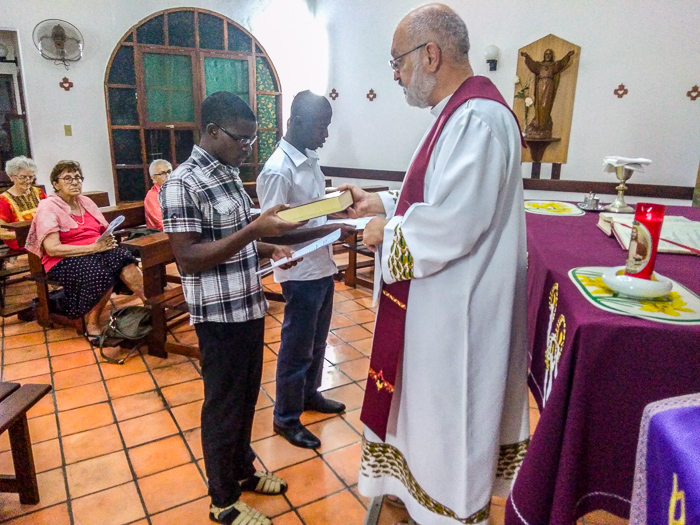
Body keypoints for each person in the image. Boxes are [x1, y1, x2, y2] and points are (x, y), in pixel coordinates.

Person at [341, 5, 530, 525]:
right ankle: (418, 497)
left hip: (458, 318)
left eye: (398, 62)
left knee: (452, 423)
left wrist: (388, 232)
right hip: (437, 310)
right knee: (425, 418)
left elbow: (454, 221)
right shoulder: (456, 113)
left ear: (431, 54)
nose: (396, 74)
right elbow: (436, 193)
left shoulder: (478, 118)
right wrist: (383, 203)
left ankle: (451, 511)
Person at [160, 91, 303, 525]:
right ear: (211, 131)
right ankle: (222, 500)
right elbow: (189, 256)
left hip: (248, 306)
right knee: (222, 406)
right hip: (217, 317)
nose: (247, 146)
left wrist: (268, 247)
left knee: (244, 400)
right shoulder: (182, 183)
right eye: (241, 139)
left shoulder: (226, 174)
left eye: (252, 138)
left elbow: (232, 240)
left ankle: (243, 472)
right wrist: (255, 231)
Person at [257, 90, 354, 449]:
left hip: (321, 266)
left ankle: (309, 394)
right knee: (296, 348)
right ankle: (285, 417)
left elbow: (311, 211)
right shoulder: (278, 170)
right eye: (321, 127)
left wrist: (338, 214)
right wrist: (331, 228)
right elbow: (273, 229)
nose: (326, 135)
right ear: (296, 122)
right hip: (298, 272)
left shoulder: (309, 160)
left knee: (316, 340)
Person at [25, 160, 146, 340]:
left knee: (123, 257)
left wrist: (106, 239)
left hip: (94, 250)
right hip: (63, 259)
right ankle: (92, 323)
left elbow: (100, 230)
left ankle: (151, 304)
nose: (75, 182)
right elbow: (52, 249)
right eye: (67, 178)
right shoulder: (48, 207)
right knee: (100, 272)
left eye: (78, 177)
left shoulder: (85, 202)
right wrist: (93, 247)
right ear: (56, 184)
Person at [520, 48, 574, 139]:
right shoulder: (539, 65)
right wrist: (527, 57)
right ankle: (538, 124)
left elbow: (561, 64)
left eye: (550, 54)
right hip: (540, 85)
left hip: (549, 85)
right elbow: (532, 65)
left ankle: (543, 126)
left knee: (545, 105)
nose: (548, 56)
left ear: (552, 56)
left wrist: (568, 55)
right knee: (539, 105)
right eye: (546, 54)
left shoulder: (554, 65)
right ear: (544, 56)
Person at [0, 156, 47, 251]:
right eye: (23, 177)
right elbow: (1, 233)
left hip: (45, 237)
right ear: (11, 177)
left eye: (31, 177)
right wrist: (28, 235)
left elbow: (51, 214)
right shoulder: (4, 200)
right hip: (22, 243)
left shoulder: (39, 192)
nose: (28, 181)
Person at [144, 159, 172, 230]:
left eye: (169, 171)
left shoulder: (177, 189)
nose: (168, 175)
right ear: (154, 178)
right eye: (162, 173)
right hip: (160, 234)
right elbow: (160, 223)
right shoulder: (152, 196)